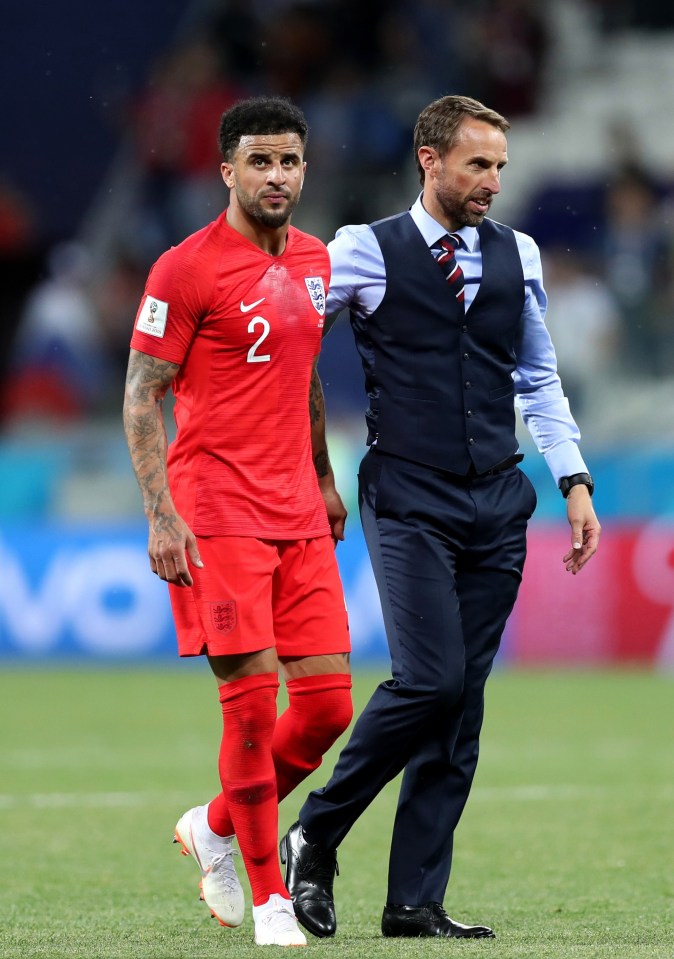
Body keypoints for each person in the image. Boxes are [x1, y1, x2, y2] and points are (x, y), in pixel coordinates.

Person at [281, 94, 601, 940]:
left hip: (498, 498)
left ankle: (413, 902)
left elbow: (536, 375)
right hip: (408, 492)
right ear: (429, 159)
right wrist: (308, 467)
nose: (495, 181)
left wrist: (573, 478)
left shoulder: (518, 253)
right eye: (478, 164)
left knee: (462, 708)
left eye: (501, 165)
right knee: (432, 679)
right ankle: (316, 829)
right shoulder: (361, 250)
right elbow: (289, 348)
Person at [123, 96, 353, 948]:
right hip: (216, 514)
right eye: (260, 161)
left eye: (290, 160)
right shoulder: (183, 269)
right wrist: (161, 513)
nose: (278, 176)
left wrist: (327, 480)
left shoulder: (317, 260)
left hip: (298, 508)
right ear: (227, 170)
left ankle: (215, 823)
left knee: (328, 707)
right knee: (252, 714)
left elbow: (306, 375)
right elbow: (142, 394)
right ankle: (268, 898)